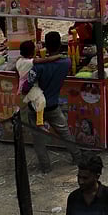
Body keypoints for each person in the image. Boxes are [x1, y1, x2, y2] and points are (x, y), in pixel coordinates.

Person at [26, 30, 77, 174]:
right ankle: (77, 157)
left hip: (36, 108)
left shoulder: (38, 67)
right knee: (65, 133)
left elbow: (27, 86)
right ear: (60, 45)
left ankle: (46, 167)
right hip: (53, 105)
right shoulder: (66, 62)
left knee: (39, 139)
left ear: (45, 46)